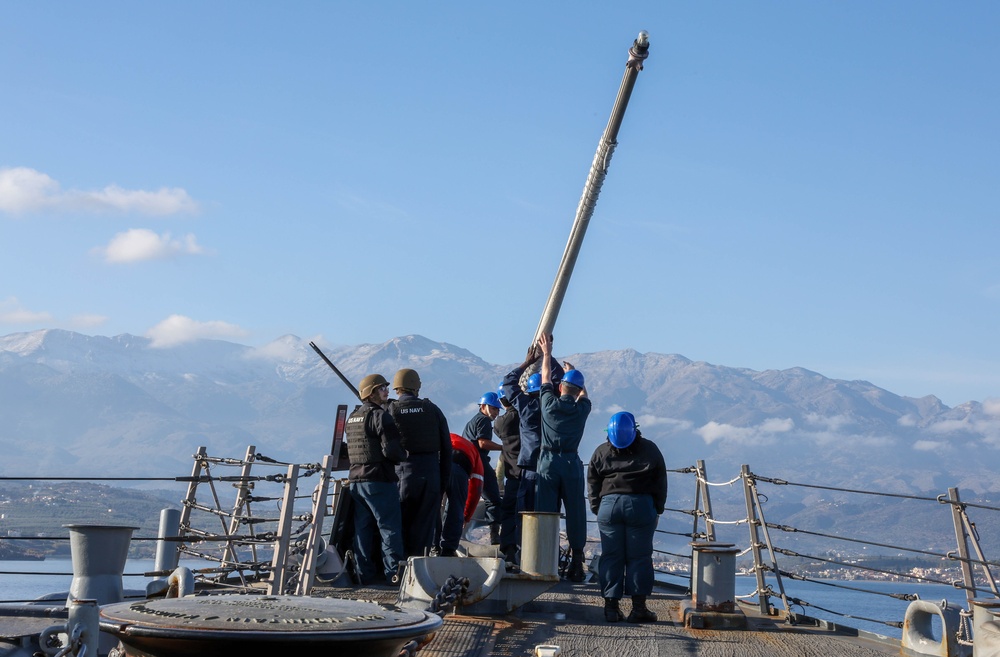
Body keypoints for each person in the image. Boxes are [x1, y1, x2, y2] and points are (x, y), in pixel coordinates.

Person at [587, 411, 667, 623]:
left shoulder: (600, 452)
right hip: (640, 506)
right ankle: (638, 608)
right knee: (639, 557)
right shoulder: (650, 449)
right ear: (635, 429)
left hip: (608, 506)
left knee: (611, 556)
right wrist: (658, 508)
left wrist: (597, 507)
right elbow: (660, 481)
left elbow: (593, 483)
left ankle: (611, 609)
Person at [536, 333, 591, 582]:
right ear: (578, 390)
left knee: (547, 512)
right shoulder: (582, 409)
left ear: (560, 388)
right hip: (571, 463)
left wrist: (547, 353)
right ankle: (577, 562)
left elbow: (545, 377)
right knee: (576, 511)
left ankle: (546, 562)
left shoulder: (548, 404)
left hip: (548, 462)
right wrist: (575, 372)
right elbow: (584, 395)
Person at [344, 373, 407, 585]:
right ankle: (394, 576)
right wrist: (405, 455)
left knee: (362, 530)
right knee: (389, 529)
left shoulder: (352, 417)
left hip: (356, 482)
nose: (387, 391)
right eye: (382, 388)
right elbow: (392, 450)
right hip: (379, 480)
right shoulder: (381, 416)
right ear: (371, 393)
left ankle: (364, 575)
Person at [387, 368, 452, 557]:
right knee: (425, 526)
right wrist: (442, 482)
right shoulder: (432, 409)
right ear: (417, 386)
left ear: (397, 388)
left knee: (401, 522)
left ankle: (400, 567)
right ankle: (418, 565)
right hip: (431, 473)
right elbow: (446, 449)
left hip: (403, 473)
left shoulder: (390, 410)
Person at [501, 344, 565, 534]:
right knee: (549, 512)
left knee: (526, 514)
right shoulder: (553, 406)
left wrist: (527, 362)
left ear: (529, 390)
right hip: (551, 466)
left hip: (529, 466)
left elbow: (508, 383)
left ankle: (525, 555)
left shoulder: (525, 406)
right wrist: (548, 356)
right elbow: (559, 379)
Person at [462, 391, 503, 544]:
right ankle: (495, 537)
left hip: (469, 463)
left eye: (498, 410)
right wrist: (503, 448)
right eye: (494, 409)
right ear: (484, 406)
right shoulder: (484, 421)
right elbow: (483, 443)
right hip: (478, 462)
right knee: (493, 500)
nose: (496, 412)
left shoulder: (475, 420)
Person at [440, 432, 484, 556]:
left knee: (430, 505)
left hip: (436, 462)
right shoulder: (474, 451)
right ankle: (447, 550)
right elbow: (476, 488)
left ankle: (431, 546)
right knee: (456, 508)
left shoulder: (442, 434)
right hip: (460, 467)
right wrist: (466, 516)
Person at [493, 384, 521, 564]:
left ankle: (509, 550)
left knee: (509, 513)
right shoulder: (526, 415)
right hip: (532, 474)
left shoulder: (500, 423)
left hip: (512, 475)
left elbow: (497, 432)